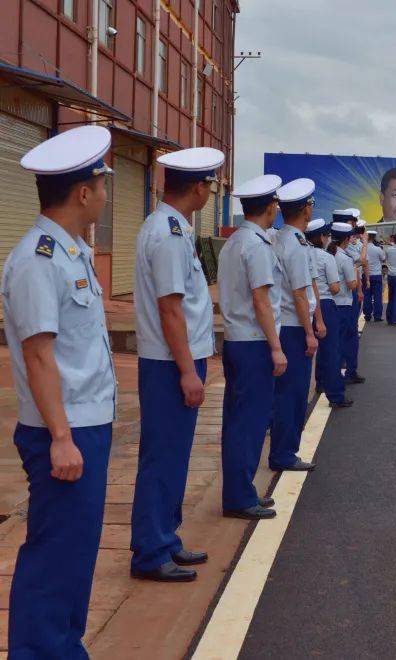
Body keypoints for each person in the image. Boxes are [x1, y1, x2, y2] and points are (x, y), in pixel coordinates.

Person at [2, 125, 116, 657]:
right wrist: (61, 437)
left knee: (75, 553)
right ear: (84, 192)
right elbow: (39, 355)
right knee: (54, 555)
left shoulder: (71, 252)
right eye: (103, 184)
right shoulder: (37, 260)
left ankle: (63, 648)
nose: (107, 195)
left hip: (85, 423)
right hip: (63, 431)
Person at [130, 146, 222, 584]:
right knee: (163, 456)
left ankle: (165, 538)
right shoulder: (167, 234)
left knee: (175, 455)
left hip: (177, 360)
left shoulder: (175, 230)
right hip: (169, 364)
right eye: (210, 185)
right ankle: (151, 550)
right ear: (199, 189)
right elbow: (171, 309)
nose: (210, 192)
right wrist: (187, 371)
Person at [218, 174, 286, 520]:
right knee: (249, 423)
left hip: (237, 342)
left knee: (237, 421)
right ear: (271, 207)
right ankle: (240, 497)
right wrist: (276, 348)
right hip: (254, 344)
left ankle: (240, 491)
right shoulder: (256, 246)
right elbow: (261, 299)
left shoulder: (235, 242)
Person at [268, 178, 323, 473]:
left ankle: (281, 449)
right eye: (311, 204)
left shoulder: (278, 238)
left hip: (284, 325)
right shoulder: (297, 244)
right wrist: (310, 332)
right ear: (305, 209)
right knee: (293, 394)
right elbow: (300, 294)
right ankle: (284, 453)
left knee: (283, 393)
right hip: (293, 328)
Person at [307, 219, 349, 407]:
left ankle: (320, 383)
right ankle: (336, 394)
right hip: (325, 305)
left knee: (313, 350)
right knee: (331, 350)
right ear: (322, 237)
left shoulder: (303, 253)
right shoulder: (326, 258)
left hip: (305, 305)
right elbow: (334, 288)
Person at [330, 222, 360, 405]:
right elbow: (351, 285)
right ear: (347, 239)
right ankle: (345, 375)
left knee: (334, 344)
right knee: (346, 341)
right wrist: (356, 278)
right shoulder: (344, 258)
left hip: (332, 304)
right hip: (344, 304)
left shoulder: (329, 254)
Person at [340, 210, 365, 384]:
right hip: (344, 295)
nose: (355, 227)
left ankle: (348, 369)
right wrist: (364, 245)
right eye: (352, 223)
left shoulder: (346, 245)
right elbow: (360, 262)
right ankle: (347, 371)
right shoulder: (345, 247)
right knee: (348, 335)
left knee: (345, 335)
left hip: (348, 294)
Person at [364, 229, 386, 322]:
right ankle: (377, 316)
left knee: (367, 296)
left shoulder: (362, 248)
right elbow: (383, 259)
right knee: (378, 296)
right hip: (376, 275)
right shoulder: (378, 249)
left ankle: (367, 315)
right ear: (374, 238)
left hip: (366, 275)